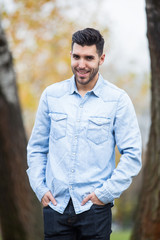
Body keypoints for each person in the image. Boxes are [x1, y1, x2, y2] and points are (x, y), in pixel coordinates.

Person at [27, 28, 142, 240]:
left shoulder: (118, 100)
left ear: (101, 58)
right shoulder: (51, 96)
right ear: (70, 55)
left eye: (89, 58)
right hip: (55, 207)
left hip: (95, 211)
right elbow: (37, 148)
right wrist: (40, 189)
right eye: (76, 56)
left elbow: (132, 155)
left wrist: (104, 194)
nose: (81, 64)